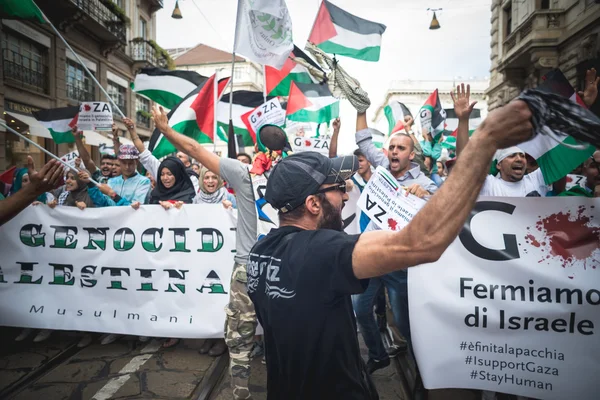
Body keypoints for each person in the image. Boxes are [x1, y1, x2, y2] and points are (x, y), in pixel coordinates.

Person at [246, 99, 533, 400]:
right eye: (338, 189)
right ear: (313, 204)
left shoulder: (261, 251)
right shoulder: (322, 251)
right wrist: (484, 142)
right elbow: (422, 244)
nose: (346, 197)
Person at [151, 105, 286, 400]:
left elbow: (196, 150)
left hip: (249, 267)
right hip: (285, 266)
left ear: (260, 144)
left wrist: (166, 130)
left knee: (240, 340)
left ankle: (240, 393)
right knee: (283, 335)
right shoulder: (300, 172)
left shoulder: (242, 172)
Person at [354, 112, 438, 372]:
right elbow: (364, 141)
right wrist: (360, 110)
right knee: (361, 310)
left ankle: (422, 367)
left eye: (400, 148)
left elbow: (442, 214)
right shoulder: (381, 167)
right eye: (391, 147)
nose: (394, 151)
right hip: (371, 255)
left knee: (404, 320)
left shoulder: (424, 183)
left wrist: (425, 197)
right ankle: (378, 356)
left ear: (411, 155)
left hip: (399, 264)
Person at [3, 157, 65, 342]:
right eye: (24, 181)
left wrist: (36, 194)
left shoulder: (47, 198)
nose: (27, 183)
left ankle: (45, 324)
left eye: (30, 182)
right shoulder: (8, 200)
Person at [125, 117, 200, 193]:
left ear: (188, 164)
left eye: (169, 174)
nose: (165, 178)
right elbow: (144, 153)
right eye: (162, 174)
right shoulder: (162, 169)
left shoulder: (192, 180)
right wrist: (132, 131)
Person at [87, 144, 151, 209]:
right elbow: (103, 204)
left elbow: (134, 208)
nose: (127, 167)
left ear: (136, 162)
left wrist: (112, 194)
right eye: (124, 163)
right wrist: (90, 184)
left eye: (130, 163)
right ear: (119, 161)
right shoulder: (112, 181)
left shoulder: (143, 182)